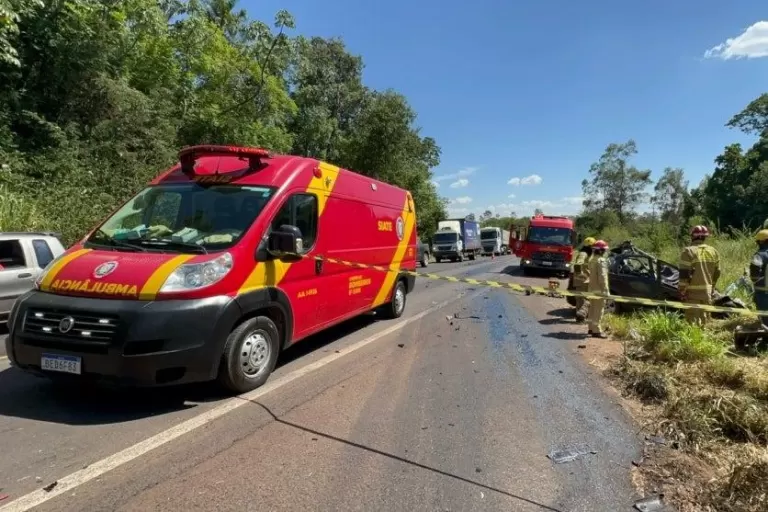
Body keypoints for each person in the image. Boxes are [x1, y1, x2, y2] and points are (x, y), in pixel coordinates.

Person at [679, 225, 721, 325]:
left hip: (692, 294)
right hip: (707, 293)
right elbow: (718, 272)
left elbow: (684, 274)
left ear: (692, 236)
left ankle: (693, 340)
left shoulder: (688, 251)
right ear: (705, 237)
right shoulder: (713, 251)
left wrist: (681, 290)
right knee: (705, 321)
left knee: (692, 323)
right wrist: (712, 287)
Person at [587, 239, 610, 338]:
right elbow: (602, 277)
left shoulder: (592, 260)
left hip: (592, 289)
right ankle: (597, 331)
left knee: (592, 309)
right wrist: (605, 290)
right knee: (598, 310)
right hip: (599, 290)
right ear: (600, 251)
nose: (605, 252)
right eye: (604, 250)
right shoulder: (601, 261)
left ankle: (591, 328)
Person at [572, 236, 596, 323]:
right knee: (583, 299)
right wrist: (581, 275)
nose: (594, 249)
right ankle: (580, 318)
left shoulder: (586, 253)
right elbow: (578, 265)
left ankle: (580, 318)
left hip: (582, 280)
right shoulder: (584, 254)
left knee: (580, 299)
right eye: (593, 247)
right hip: (583, 280)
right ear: (589, 247)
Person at [749, 229, 768, 328]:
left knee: (765, 320)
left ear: (761, 242)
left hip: (763, 293)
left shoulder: (760, 255)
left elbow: (754, 275)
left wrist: (755, 280)